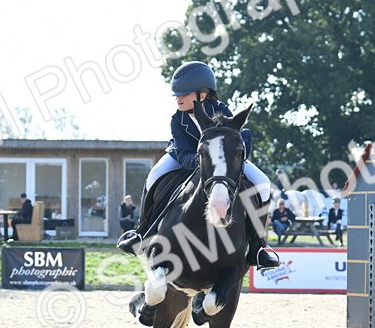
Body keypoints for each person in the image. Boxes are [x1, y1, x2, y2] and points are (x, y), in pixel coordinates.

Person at [116, 61, 279, 268]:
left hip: (220, 163)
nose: (178, 98)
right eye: (177, 94)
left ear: (202, 94)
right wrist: (201, 162)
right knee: (154, 175)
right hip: (183, 157)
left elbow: (233, 139)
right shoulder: (177, 119)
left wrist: (219, 162)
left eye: (184, 94)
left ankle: (258, 246)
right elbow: (182, 151)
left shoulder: (221, 110)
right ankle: (141, 232)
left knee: (263, 182)